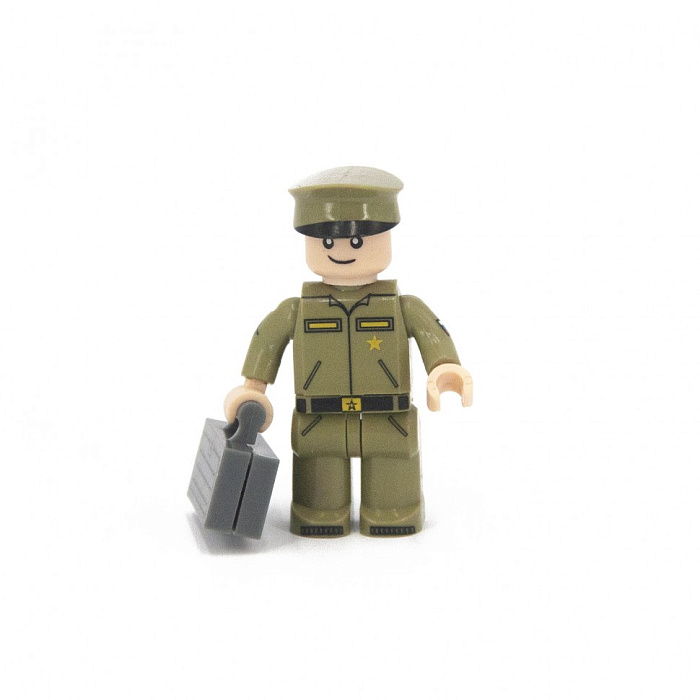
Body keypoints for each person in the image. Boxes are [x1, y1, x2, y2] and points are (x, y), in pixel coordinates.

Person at [223, 166, 472, 537]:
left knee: (392, 471)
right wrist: (252, 390)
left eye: (357, 241)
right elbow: (267, 340)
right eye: (327, 241)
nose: (341, 250)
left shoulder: (403, 306)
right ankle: (320, 513)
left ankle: (393, 511)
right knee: (319, 478)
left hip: (387, 417)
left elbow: (432, 334)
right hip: (319, 418)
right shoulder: (296, 310)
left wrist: (445, 367)